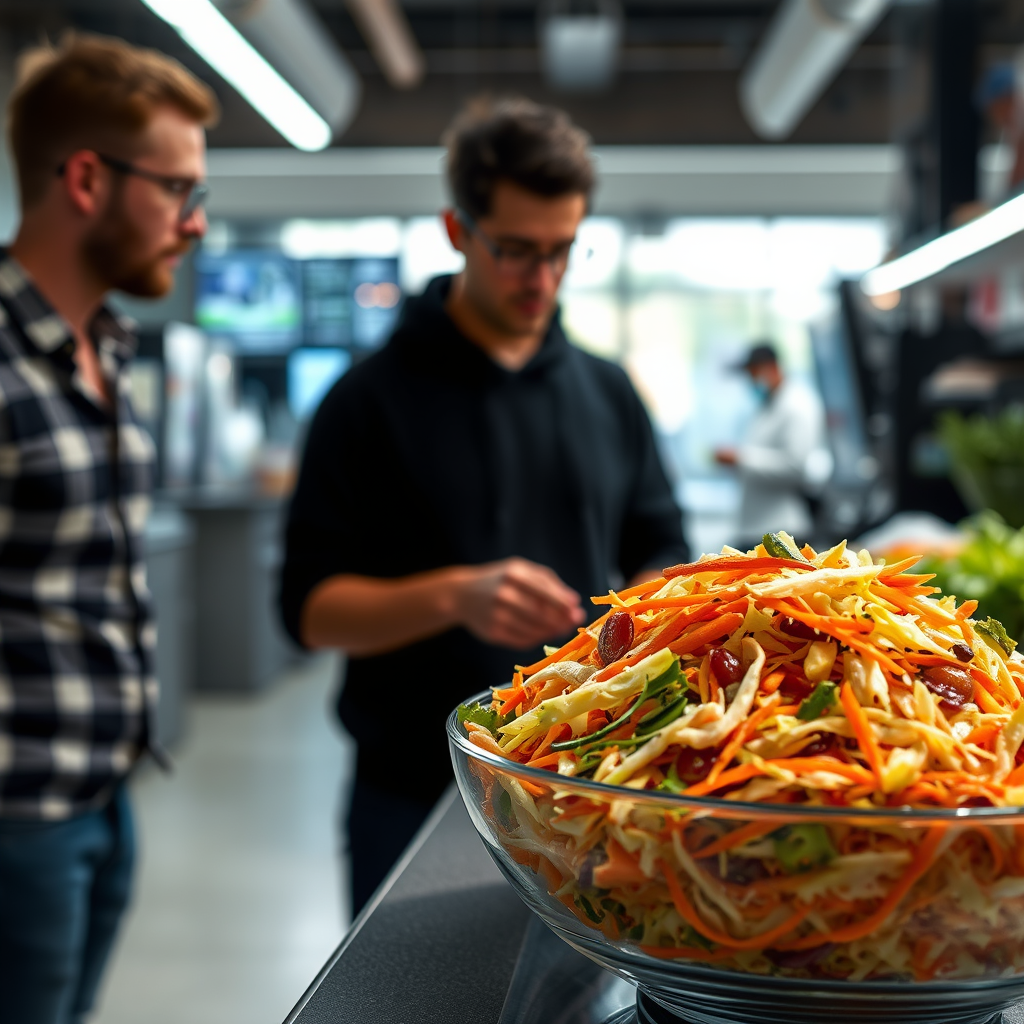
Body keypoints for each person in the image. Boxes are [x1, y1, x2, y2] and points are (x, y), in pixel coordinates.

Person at [280, 97, 688, 916]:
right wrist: (455, 595)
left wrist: (645, 620)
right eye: (515, 251)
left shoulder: (606, 392)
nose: (541, 279)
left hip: (588, 790)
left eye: (562, 252)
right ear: (457, 230)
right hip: (408, 791)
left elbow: (664, 549)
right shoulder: (366, 401)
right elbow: (310, 612)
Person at [0, 35, 217, 1023]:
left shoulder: (109, 347)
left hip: (104, 792)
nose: (195, 222)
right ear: (86, 178)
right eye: (177, 190)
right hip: (17, 817)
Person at [714, 342, 830, 548]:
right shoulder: (768, 405)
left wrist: (740, 458)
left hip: (782, 529)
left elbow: (795, 466)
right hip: (753, 527)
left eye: (754, 374)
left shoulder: (798, 404)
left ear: (773, 368)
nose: (751, 382)